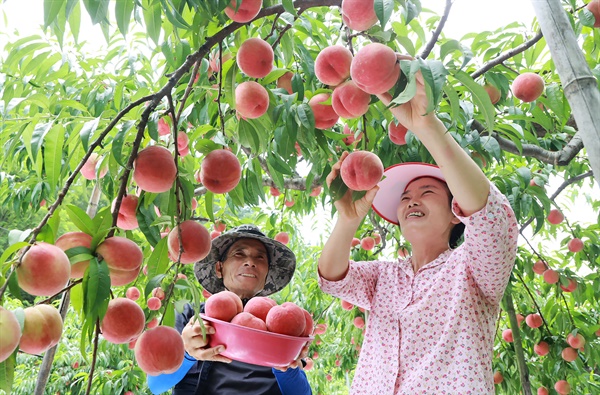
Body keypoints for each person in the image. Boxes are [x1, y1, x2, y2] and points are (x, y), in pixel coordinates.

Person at [317, 59, 519, 394]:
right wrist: (348, 220)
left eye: (427, 192)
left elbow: (491, 218)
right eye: (406, 196)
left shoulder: (471, 268)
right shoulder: (385, 277)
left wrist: (427, 126)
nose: (412, 201)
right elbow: (332, 277)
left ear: (456, 212)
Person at [147, 224, 313, 395]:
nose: (250, 262)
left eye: (260, 257)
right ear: (219, 268)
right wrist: (187, 353)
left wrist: (286, 363)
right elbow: (155, 385)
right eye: (239, 253)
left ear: (267, 273)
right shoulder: (192, 317)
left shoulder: (281, 323)